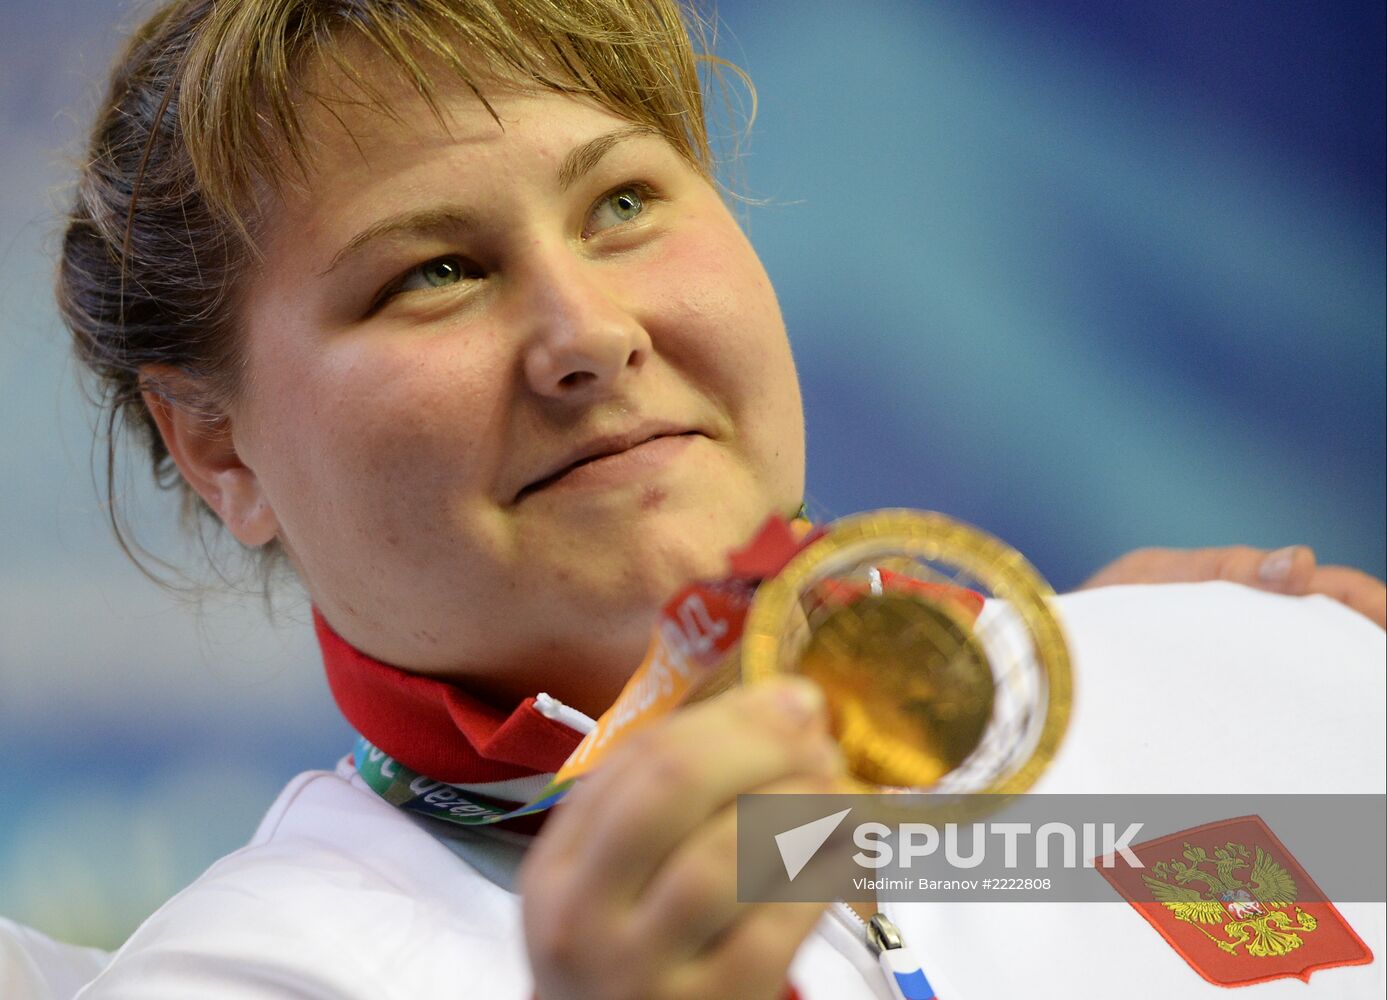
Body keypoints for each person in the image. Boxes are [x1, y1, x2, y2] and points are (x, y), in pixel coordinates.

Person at [8, 1, 1380, 997]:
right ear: (218, 450)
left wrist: (1217, 679)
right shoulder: (273, 975)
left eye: (619, 204)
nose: (586, 333)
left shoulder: (1258, 680)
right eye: (431, 271)